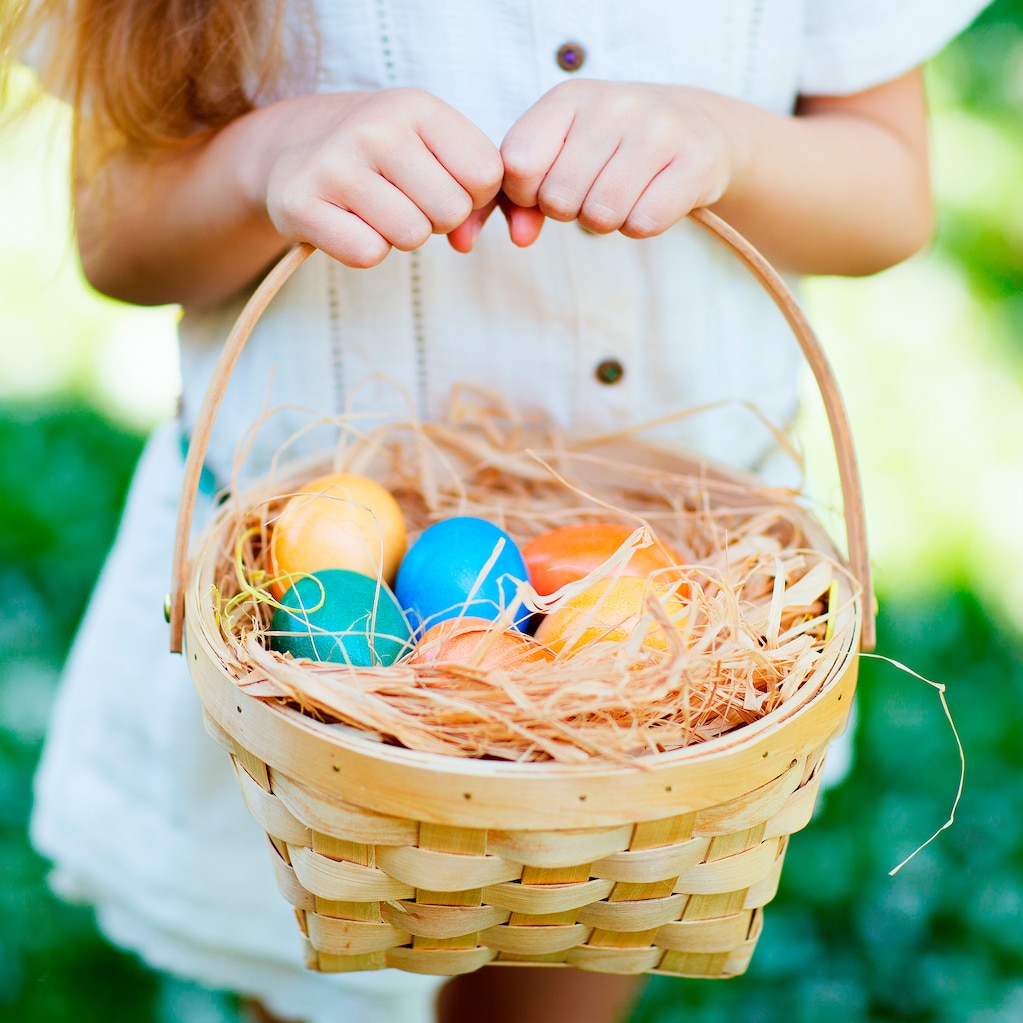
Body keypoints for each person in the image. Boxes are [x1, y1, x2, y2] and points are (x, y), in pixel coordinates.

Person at [2, 1, 990, 1021]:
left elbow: (889, 196)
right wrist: (268, 163)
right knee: (320, 982)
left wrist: (724, 141)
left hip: (659, 649)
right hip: (311, 679)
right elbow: (119, 238)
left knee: (571, 959)